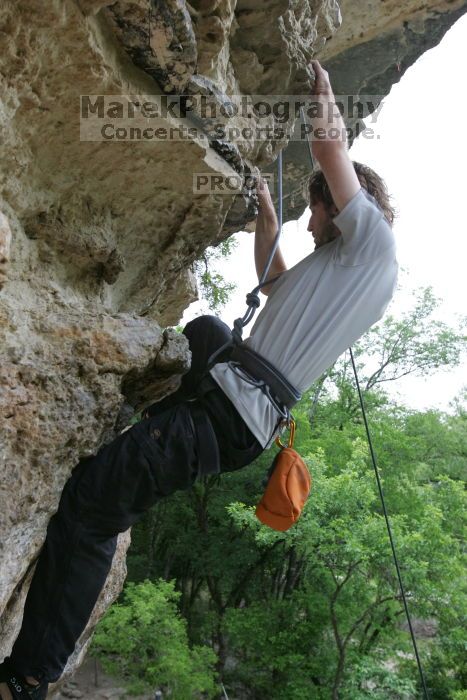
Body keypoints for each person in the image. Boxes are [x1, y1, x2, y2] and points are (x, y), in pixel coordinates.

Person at [0, 60, 397, 700]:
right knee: (210, 330)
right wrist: (266, 208)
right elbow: (272, 270)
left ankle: (29, 676)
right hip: (235, 408)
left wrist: (322, 99)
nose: (309, 220)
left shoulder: (372, 244)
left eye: (314, 209)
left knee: (91, 508)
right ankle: (145, 427)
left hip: (225, 415)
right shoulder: (341, 271)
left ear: (343, 206)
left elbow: (330, 149)